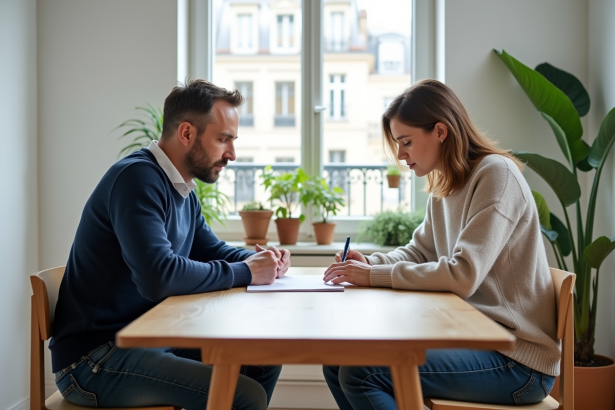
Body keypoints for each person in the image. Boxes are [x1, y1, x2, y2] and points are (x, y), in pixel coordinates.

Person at [50, 79, 289, 410]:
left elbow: (212, 251)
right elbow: (158, 276)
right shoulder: (137, 179)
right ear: (187, 133)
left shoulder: (182, 189)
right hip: (95, 359)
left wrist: (263, 260)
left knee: (262, 357)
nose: (232, 154)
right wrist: (248, 272)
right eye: (224, 140)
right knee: (243, 397)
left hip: (148, 339)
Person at [322, 79, 559, 409]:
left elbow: (463, 275)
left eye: (406, 142)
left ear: (440, 131)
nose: (401, 155)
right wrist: (371, 264)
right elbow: (420, 251)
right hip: (471, 339)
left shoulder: (496, 175)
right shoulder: (445, 184)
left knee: (364, 372)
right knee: (337, 361)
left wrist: (372, 277)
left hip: (516, 361)